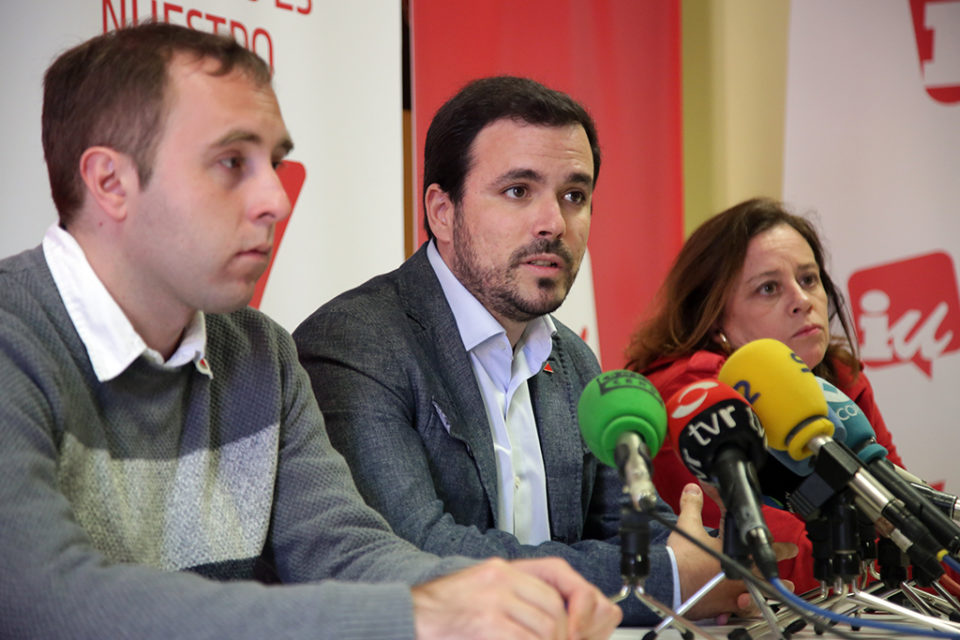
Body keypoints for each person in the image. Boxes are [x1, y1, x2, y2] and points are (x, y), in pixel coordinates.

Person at [0, 23, 624, 640]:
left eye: (274, 162)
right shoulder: (14, 335)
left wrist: (496, 596)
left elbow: (343, 551)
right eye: (230, 162)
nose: (276, 196)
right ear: (110, 182)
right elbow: (45, 599)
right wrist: (421, 614)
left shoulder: (257, 352)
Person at [294, 76, 785, 626]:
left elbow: (628, 526)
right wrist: (669, 576)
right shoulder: (358, 342)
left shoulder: (573, 359)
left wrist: (718, 561)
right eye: (518, 191)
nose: (554, 223)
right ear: (441, 211)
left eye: (575, 196)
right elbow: (419, 555)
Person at [624, 196, 905, 594]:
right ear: (714, 316)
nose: (802, 301)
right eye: (769, 288)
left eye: (809, 280)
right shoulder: (693, 398)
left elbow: (907, 513)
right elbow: (779, 560)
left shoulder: (839, 377)